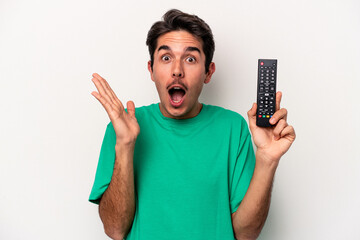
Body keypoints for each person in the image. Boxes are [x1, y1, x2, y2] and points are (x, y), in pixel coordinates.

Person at [89, 9, 295, 240]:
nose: (177, 70)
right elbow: (114, 230)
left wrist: (267, 159)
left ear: (208, 72)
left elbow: (246, 234)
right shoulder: (123, 127)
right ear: (151, 70)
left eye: (190, 59)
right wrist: (125, 146)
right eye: (166, 58)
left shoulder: (232, 128)